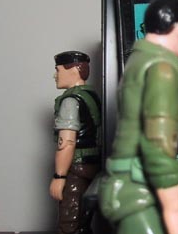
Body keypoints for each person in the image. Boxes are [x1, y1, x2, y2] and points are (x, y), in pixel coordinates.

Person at [98, 0, 178, 234]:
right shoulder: (162, 69)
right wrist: (175, 207)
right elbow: (157, 143)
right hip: (136, 189)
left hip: (134, 183)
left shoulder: (140, 58)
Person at [50, 51, 102, 234]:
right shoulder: (92, 95)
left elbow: (67, 142)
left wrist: (59, 177)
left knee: (69, 223)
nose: (55, 75)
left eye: (58, 70)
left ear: (73, 70)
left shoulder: (71, 101)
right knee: (83, 221)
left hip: (76, 168)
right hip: (93, 164)